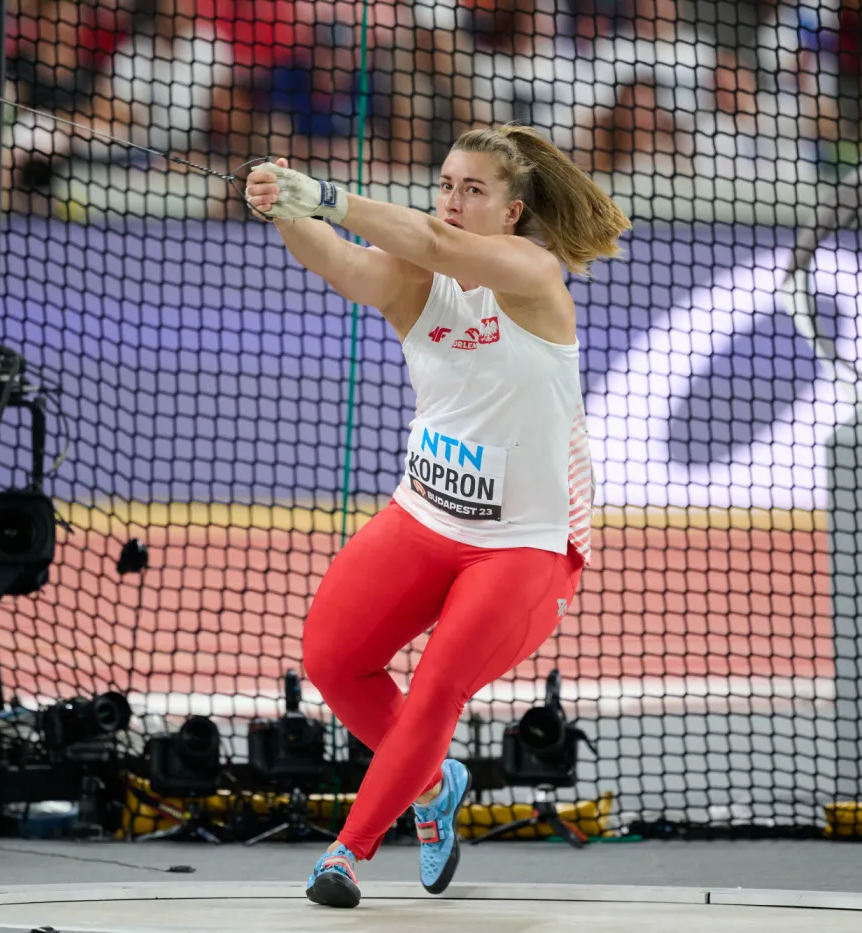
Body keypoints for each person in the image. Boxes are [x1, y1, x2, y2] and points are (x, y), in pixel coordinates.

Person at [243, 123, 630, 909]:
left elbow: (432, 240)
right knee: (331, 658)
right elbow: (346, 264)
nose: (452, 201)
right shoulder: (418, 277)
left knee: (435, 690)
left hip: (524, 544)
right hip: (424, 517)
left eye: (473, 190)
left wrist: (323, 194)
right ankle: (435, 781)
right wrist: (283, 206)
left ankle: (347, 854)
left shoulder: (531, 271)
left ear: (513, 212)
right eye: (446, 184)